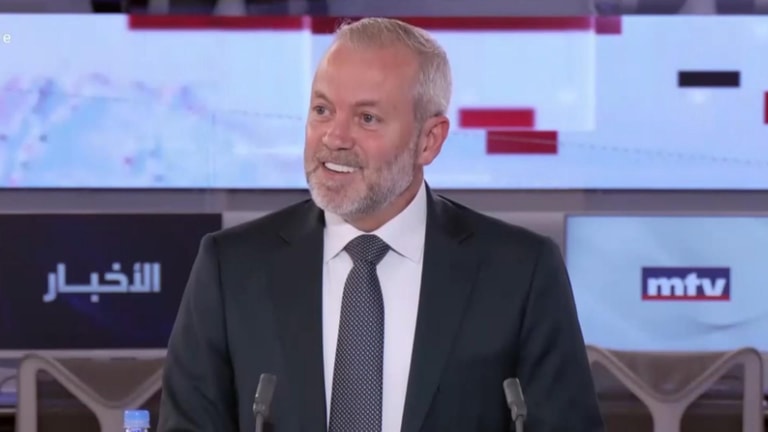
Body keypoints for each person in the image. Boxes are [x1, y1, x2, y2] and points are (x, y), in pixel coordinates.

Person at [159, 17, 604, 432]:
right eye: (322, 110)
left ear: (428, 140)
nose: (334, 137)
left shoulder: (520, 273)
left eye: (367, 118)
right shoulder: (231, 268)